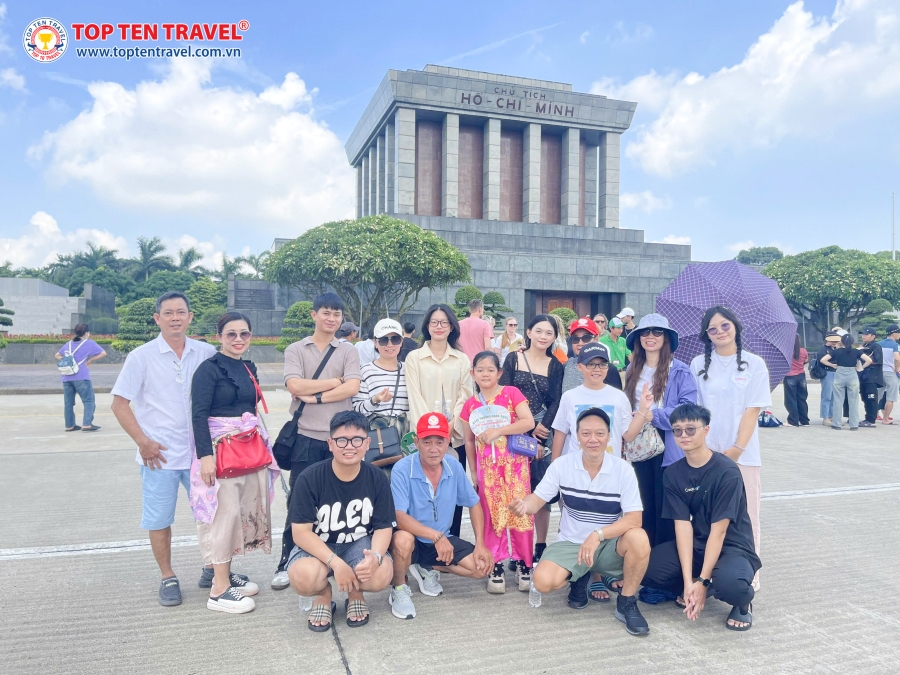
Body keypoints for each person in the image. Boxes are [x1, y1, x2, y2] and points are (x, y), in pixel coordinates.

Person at [111, 291, 217, 606]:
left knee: (212, 514)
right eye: (168, 313)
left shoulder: (206, 352)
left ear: (190, 317)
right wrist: (142, 442)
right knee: (159, 519)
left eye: (180, 312)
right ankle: (168, 576)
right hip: (159, 455)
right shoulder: (140, 357)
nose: (175, 318)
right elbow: (119, 404)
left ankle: (213, 568)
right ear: (157, 318)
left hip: (200, 455)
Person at [510, 407, 651, 637]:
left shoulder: (623, 470)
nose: (593, 439)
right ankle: (580, 575)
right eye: (586, 433)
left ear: (608, 436)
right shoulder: (562, 465)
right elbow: (537, 500)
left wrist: (598, 535)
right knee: (543, 582)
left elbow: (635, 519)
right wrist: (523, 506)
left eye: (599, 433)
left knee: (639, 538)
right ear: (577, 436)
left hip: (607, 544)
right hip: (571, 543)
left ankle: (626, 602)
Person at [641, 404, 761, 631]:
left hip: (732, 545)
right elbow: (682, 526)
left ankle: (742, 602)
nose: (683, 435)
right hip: (699, 543)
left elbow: (719, 531)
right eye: (677, 430)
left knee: (732, 585)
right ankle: (695, 588)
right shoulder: (673, 473)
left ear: (706, 430)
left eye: (690, 429)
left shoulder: (726, 471)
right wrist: (689, 582)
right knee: (646, 568)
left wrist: (704, 581)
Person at [272, 293, 361, 591]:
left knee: (342, 501)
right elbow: (295, 385)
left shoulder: (347, 351)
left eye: (337, 314)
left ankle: (338, 559)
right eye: (326, 312)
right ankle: (286, 561)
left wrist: (317, 397)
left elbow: (353, 387)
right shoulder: (296, 349)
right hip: (306, 437)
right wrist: (334, 382)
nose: (331, 318)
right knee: (299, 501)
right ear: (314, 315)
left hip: (342, 440)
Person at [190, 312, 278, 614]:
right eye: (231, 334)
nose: (238, 339)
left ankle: (225, 576)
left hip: (247, 449)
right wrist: (205, 457)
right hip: (220, 452)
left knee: (238, 515)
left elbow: (251, 408)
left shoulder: (247, 367)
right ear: (219, 337)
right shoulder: (208, 369)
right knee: (223, 516)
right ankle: (218, 590)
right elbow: (198, 415)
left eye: (244, 334)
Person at [286, 411, 395, 631]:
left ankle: (356, 592)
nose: (349, 446)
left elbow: (383, 526)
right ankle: (323, 594)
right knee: (303, 577)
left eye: (357, 440)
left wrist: (375, 557)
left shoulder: (377, 478)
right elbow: (301, 532)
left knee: (381, 573)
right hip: (320, 546)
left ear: (367, 443)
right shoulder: (309, 478)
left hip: (359, 544)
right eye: (342, 440)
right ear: (330, 444)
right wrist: (336, 563)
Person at [690, 306, 770, 591]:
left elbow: (752, 411)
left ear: (735, 326)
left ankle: (749, 573)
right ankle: (706, 574)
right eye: (712, 329)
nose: (720, 332)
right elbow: (696, 410)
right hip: (706, 454)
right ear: (706, 335)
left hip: (743, 455)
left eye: (725, 325)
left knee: (747, 515)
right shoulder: (698, 364)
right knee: (705, 516)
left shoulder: (754, 364)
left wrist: (736, 449)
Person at [388, 413, 493, 619]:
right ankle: (398, 588)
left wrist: (481, 543)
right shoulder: (402, 468)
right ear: (416, 442)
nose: (433, 449)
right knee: (402, 539)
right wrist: (436, 536)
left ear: (448, 442)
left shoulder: (454, 466)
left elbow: (474, 503)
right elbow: (398, 516)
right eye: (427, 442)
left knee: (481, 568)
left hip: (441, 539)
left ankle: (427, 566)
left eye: (440, 441)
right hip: (414, 540)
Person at [461, 351, 536, 593]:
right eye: (480, 370)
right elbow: (469, 441)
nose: (485, 374)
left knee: (520, 512)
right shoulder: (470, 405)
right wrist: (473, 471)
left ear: (499, 373)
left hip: (516, 468)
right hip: (488, 470)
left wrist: (498, 431)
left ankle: (524, 564)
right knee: (491, 514)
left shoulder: (511, 394)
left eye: (490, 370)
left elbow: (528, 422)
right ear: (472, 373)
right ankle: (495, 565)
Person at [623, 313, 698, 549]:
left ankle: (665, 564)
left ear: (666, 338)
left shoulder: (680, 371)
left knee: (667, 511)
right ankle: (643, 559)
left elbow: (687, 410)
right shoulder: (632, 369)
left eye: (657, 332)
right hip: (639, 447)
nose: (650, 336)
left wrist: (653, 415)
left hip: (668, 450)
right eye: (645, 332)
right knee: (642, 507)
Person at [404, 304, 474, 537]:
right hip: (425, 437)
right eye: (434, 322)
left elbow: (466, 394)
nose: (439, 327)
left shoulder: (461, 359)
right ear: (427, 326)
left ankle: (452, 540)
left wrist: (452, 424)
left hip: (454, 436)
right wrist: (430, 431)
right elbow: (414, 396)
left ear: (452, 326)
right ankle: (424, 541)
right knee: (424, 490)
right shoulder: (414, 358)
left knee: (452, 489)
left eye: (444, 322)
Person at [500, 314, 564, 563]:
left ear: (554, 337)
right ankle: (517, 549)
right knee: (515, 491)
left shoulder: (555, 365)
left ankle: (539, 544)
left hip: (542, 436)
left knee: (540, 491)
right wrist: (528, 427)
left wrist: (541, 431)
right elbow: (505, 395)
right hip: (515, 432)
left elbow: (556, 401)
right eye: (539, 331)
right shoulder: (513, 359)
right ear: (528, 332)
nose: (543, 337)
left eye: (549, 333)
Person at [552, 343, 645, 461]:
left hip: (610, 466)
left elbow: (629, 436)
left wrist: (643, 411)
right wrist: (554, 465)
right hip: (576, 466)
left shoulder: (619, 397)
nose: (597, 369)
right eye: (591, 364)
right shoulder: (569, 397)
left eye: (602, 364)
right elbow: (560, 432)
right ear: (580, 366)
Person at [352, 318, 409, 433]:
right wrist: (375, 400)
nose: (389, 345)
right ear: (375, 342)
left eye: (395, 339)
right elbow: (356, 409)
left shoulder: (409, 370)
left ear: (401, 341)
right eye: (383, 340)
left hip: (406, 436)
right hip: (379, 436)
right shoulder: (366, 371)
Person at [56, 323, 106, 432]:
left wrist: (67, 360)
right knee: (88, 400)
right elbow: (103, 353)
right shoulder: (89, 343)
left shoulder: (68, 344)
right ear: (86, 333)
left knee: (68, 403)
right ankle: (87, 424)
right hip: (81, 376)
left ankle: (69, 425)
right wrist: (90, 360)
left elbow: (57, 355)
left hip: (67, 377)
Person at [819, 333, 871, 430]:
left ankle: (837, 424)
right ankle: (854, 424)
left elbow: (823, 360)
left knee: (838, 400)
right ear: (852, 342)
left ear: (841, 342)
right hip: (852, 375)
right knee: (853, 401)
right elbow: (869, 360)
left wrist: (832, 365)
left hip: (839, 375)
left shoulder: (837, 351)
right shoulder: (856, 351)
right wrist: (861, 367)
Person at [562, 316, 622, 393]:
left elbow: (617, 396)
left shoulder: (608, 369)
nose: (580, 343)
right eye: (575, 339)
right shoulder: (567, 365)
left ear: (596, 339)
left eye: (586, 338)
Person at [858, 327, 884, 427]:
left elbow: (876, 360)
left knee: (871, 398)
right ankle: (867, 417)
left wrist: (865, 360)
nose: (863, 336)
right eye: (863, 334)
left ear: (873, 336)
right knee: (865, 398)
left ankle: (872, 420)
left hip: (872, 376)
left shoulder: (876, 346)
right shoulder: (863, 346)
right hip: (863, 376)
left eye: (866, 334)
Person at [782, 335, 810, 427]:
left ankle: (793, 421)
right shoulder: (804, 351)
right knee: (802, 399)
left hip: (790, 376)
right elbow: (806, 360)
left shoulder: (787, 351)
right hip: (801, 376)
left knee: (791, 400)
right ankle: (804, 420)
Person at [816, 332, 842, 426]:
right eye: (833, 341)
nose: (835, 343)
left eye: (836, 341)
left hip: (836, 373)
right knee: (827, 396)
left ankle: (831, 416)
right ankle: (825, 417)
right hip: (827, 373)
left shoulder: (835, 349)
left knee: (834, 396)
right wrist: (831, 365)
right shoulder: (823, 350)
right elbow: (821, 361)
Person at [458, 298, 494, 363]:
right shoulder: (485, 324)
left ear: (470, 310)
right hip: (479, 362)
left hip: (463, 361)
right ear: (480, 309)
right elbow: (487, 347)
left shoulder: (459, 324)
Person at [877, 325, 900, 425]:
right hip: (890, 373)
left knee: (878, 395)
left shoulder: (878, 344)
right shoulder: (895, 345)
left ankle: (873, 415)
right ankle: (885, 419)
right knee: (891, 397)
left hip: (879, 372)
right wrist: (897, 368)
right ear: (894, 334)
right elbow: (897, 358)